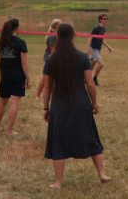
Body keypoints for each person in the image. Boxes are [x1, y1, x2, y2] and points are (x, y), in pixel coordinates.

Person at [43, 22, 110, 187]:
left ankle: (58, 182)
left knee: (58, 141)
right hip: (81, 102)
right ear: (73, 36)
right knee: (90, 136)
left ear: (57, 36)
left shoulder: (51, 59)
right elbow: (90, 84)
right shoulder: (82, 56)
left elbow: (47, 87)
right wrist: (94, 103)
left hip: (59, 105)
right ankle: (102, 174)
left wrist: (46, 108)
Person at [0, 19, 31, 136]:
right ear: (16, 28)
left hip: (4, 76)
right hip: (18, 76)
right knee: (14, 103)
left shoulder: (1, 42)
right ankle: (9, 131)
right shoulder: (21, 42)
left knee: (2, 102)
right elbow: (24, 63)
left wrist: (4, 74)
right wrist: (28, 79)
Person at [36, 19, 61, 99]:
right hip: (49, 59)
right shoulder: (52, 35)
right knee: (45, 79)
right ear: (57, 26)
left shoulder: (58, 35)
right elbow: (52, 50)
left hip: (55, 58)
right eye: (61, 23)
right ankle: (37, 96)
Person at [87, 14, 112, 86]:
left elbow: (102, 39)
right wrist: (88, 49)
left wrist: (108, 46)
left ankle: (85, 79)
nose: (106, 20)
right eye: (105, 18)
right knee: (101, 64)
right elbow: (90, 37)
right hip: (93, 49)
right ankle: (94, 79)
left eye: (107, 18)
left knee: (90, 67)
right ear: (100, 19)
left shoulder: (104, 28)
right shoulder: (96, 28)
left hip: (98, 49)